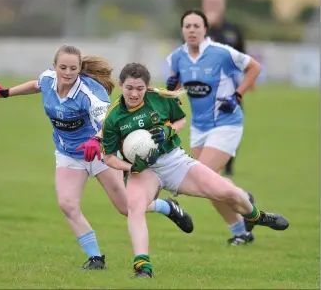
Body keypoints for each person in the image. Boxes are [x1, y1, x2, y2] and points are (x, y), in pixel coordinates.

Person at [0, 45, 194, 270]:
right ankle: (96, 258)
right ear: (54, 67)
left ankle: (166, 207)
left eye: (73, 68)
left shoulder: (89, 93)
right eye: (63, 67)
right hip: (68, 154)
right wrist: (7, 92)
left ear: (80, 68)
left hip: (100, 153)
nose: (68, 72)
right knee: (67, 204)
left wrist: (96, 140)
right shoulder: (48, 79)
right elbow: (36, 85)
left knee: (126, 207)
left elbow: (109, 121)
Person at [101, 62, 289, 278]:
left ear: (147, 87)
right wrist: (131, 167)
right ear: (120, 85)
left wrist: (167, 130)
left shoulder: (160, 98)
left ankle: (256, 216)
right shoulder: (113, 117)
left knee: (229, 193)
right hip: (143, 171)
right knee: (134, 207)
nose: (134, 93)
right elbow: (109, 158)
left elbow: (180, 119)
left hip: (174, 161)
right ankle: (143, 266)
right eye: (129, 88)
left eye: (139, 88)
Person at [165, 9, 260, 246]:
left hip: (226, 124)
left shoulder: (221, 53)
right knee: (210, 186)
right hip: (199, 127)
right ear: (182, 30)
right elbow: (176, 86)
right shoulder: (177, 57)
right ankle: (240, 231)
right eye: (187, 26)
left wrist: (237, 96)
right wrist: (172, 86)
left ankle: (243, 198)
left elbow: (254, 67)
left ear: (205, 29)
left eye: (197, 26)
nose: (192, 30)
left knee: (204, 178)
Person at [202, 0, 252, 176]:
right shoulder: (198, 28)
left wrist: (249, 77)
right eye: (210, 3)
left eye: (217, 3)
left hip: (231, 88)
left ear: (224, 5)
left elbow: (243, 55)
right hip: (206, 90)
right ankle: (209, 165)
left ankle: (228, 166)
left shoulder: (233, 30)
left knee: (233, 126)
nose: (214, 6)